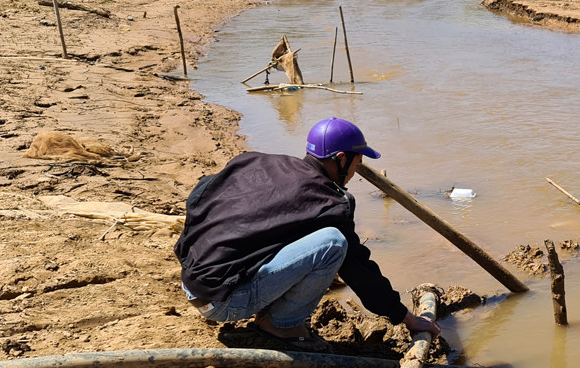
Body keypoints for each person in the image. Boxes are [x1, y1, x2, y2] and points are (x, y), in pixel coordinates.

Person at [174, 117, 441, 353]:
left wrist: (186, 256)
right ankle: (280, 324)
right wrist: (405, 317)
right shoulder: (329, 202)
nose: (354, 175)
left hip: (192, 283)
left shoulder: (255, 163)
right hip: (224, 303)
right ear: (340, 159)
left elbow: (201, 191)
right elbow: (359, 271)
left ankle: (263, 306)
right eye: (357, 163)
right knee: (333, 244)